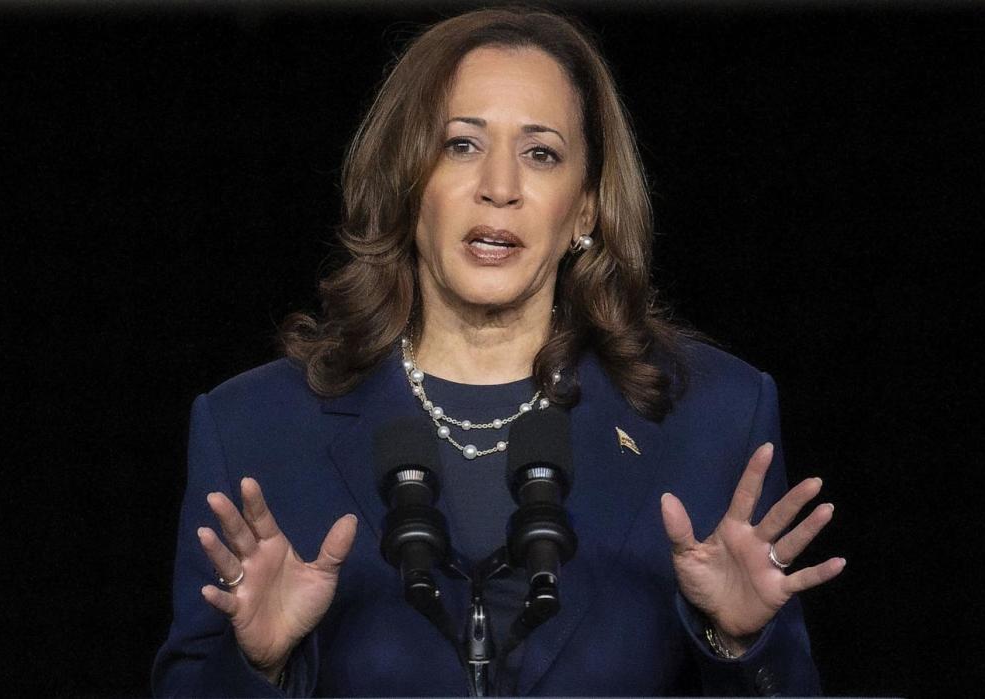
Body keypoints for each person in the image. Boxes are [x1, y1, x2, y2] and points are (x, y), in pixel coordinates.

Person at [153, 7, 844, 697]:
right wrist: (259, 666)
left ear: (585, 209)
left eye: (541, 152)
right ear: (405, 182)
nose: (500, 186)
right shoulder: (256, 428)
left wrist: (739, 642)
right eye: (461, 144)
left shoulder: (711, 417)